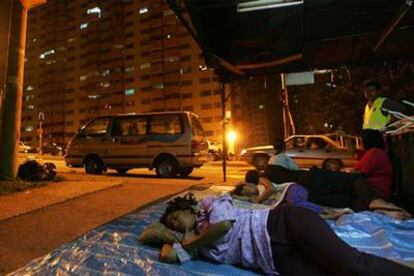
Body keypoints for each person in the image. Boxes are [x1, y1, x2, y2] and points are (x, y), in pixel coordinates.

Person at [158, 193, 413, 275]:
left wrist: (190, 245)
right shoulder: (194, 243)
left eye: (175, 218)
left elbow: (223, 227)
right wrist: (166, 237)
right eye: (172, 225)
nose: (176, 225)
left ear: (186, 209)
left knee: (354, 266)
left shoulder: (209, 205)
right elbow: (167, 256)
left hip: (283, 225)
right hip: (277, 260)